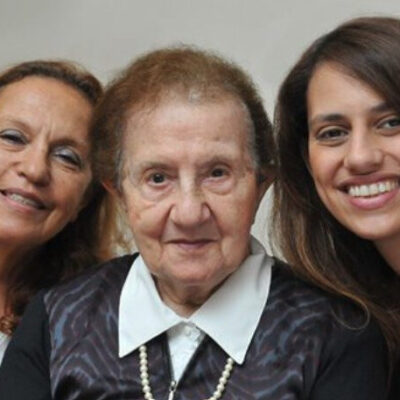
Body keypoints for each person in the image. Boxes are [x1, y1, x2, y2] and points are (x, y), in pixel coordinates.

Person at [0, 46, 388, 399]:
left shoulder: (338, 335)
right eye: (157, 178)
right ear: (119, 195)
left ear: (259, 186)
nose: (189, 213)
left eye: (217, 173)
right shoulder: (55, 319)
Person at [271, 16, 400, 398]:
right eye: (333, 133)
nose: (360, 157)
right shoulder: (351, 331)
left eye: (391, 123)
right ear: (306, 160)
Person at [0, 60, 118, 363]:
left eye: (67, 157)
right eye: (12, 138)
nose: (35, 169)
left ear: (84, 200)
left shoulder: (101, 323)